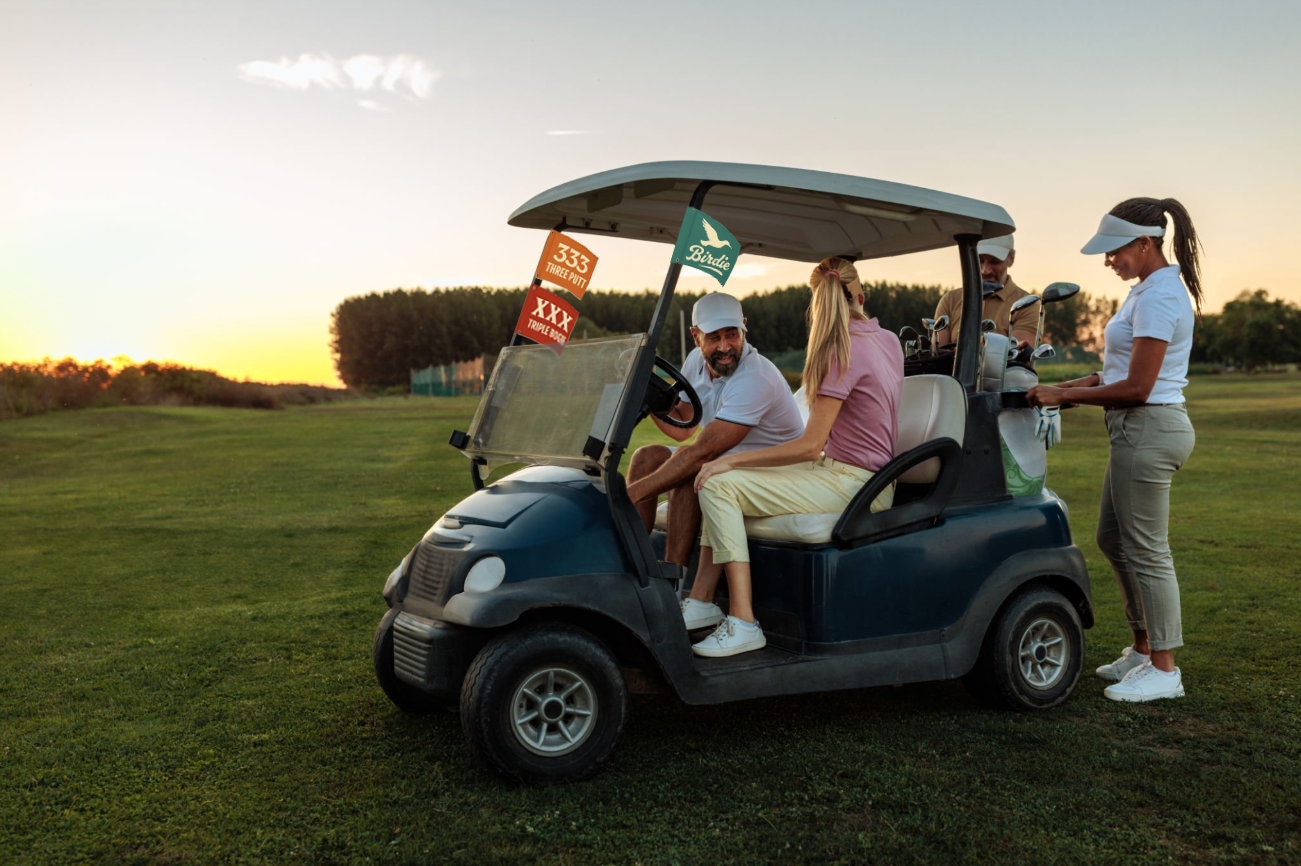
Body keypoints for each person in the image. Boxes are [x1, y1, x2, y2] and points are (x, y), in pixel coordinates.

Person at [1027, 198, 1202, 702]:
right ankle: (1143, 650)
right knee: (1111, 537)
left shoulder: (1160, 295)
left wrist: (1065, 396)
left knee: (1146, 550)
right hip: (1136, 429)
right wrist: (1066, 387)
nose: (1109, 261)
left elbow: (1139, 387)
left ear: (1144, 243)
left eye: (1115, 251)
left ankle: (1165, 670)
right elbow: (1119, 375)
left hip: (1149, 427)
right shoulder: (1146, 292)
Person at [686, 257, 904, 657]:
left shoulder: (838, 351)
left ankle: (743, 621)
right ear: (860, 295)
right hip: (867, 477)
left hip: (855, 484)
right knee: (722, 487)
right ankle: (701, 604)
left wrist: (729, 460)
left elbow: (808, 446)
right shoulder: (888, 340)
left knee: (718, 485)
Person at [625, 292, 804, 631]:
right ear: (696, 336)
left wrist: (625, 497)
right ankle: (633, 575)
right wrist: (648, 400)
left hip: (777, 473)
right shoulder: (695, 361)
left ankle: (672, 590)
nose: (724, 346)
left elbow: (701, 451)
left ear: (744, 330)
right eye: (714, 337)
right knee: (647, 456)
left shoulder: (756, 377)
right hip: (728, 465)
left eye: (731, 334)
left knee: (693, 466)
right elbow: (684, 424)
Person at [933, 234, 1037, 348]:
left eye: (995, 261)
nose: (985, 270)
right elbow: (937, 356)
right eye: (979, 260)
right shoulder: (950, 300)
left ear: (1011, 259)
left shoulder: (1027, 304)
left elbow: (1017, 359)